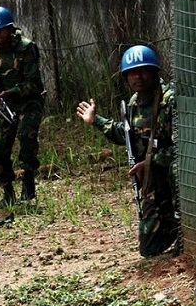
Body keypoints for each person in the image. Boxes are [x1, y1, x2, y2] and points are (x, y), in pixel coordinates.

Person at [76, 45, 179, 257]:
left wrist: (152, 162)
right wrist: (96, 120)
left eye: (142, 71)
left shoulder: (169, 100)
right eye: (132, 73)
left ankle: (186, 230)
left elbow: (183, 147)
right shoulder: (134, 103)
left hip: (172, 172)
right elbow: (127, 135)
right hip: (152, 179)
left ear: (154, 72)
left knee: (177, 171)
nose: (137, 77)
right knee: (149, 249)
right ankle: (170, 226)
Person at [0, 6, 45, 209]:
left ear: (10, 29)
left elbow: (34, 84)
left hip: (27, 101)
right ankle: (7, 192)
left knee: (26, 136)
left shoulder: (26, 47)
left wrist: (12, 91)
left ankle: (28, 180)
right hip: (1, 104)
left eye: (0, 31)